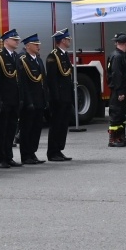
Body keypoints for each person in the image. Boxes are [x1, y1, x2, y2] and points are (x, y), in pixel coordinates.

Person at [17, 33, 48, 164]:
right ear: (28, 46)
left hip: (39, 100)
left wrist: (45, 99)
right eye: (35, 44)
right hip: (29, 101)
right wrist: (28, 101)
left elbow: (43, 81)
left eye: (38, 44)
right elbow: (23, 83)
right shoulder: (23, 60)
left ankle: (32, 152)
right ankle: (26, 155)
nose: (38, 46)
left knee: (36, 128)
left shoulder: (38, 59)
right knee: (27, 128)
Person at [0, 29, 23, 166]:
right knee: (1, 130)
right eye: (14, 39)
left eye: (17, 40)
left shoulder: (16, 56)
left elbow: (19, 79)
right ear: (6, 41)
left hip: (14, 99)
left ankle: (8, 156)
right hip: (4, 99)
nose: (17, 42)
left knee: (11, 129)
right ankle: (0, 158)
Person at [45, 29, 75, 160]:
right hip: (58, 98)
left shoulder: (64, 55)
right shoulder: (53, 56)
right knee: (56, 125)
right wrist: (55, 97)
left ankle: (59, 149)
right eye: (68, 39)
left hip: (66, 96)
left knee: (63, 125)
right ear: (62, 40)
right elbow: (52, 80)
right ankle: (52, 152)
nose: (69, 41)